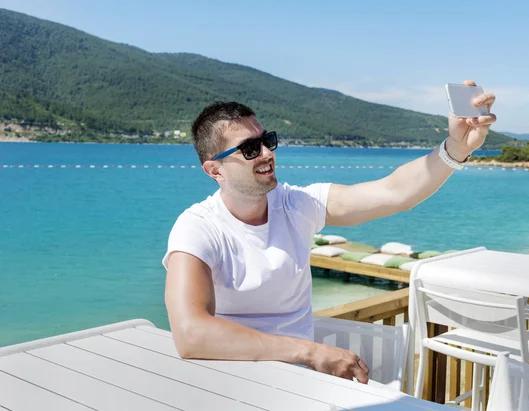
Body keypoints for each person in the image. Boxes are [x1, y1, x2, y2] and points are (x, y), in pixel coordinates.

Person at [162, 80, 496, 384]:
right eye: (250, 149)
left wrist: (456, 147)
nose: (266, 154)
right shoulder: (198, 228)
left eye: (268, 141)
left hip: (298, 385)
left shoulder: (297, 205)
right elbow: (191, 333)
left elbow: (394, 192)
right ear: (214, 169)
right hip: (227, 384)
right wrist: (310, 352)